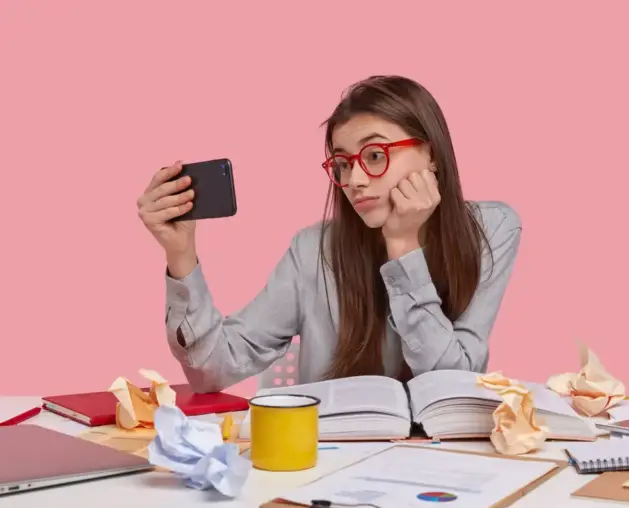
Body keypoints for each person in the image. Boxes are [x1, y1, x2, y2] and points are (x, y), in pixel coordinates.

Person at [136, 75, 522, 393]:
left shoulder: (491, 230)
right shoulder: (312, 251)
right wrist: (180, 254)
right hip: (329, 463)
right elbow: (212, 370)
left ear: (431, 153)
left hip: (445, 464)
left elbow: (454, 383)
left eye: (374, 156)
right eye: (341, 163)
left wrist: (403, 247)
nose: (353, 180)